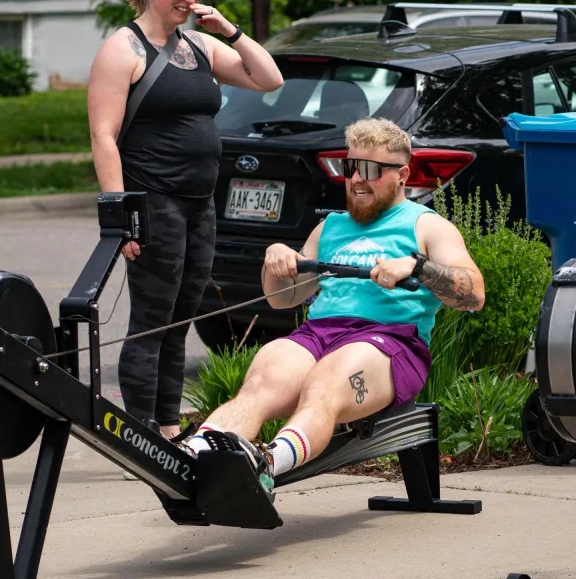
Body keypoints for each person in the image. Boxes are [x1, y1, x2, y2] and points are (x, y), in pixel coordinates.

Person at [177, 118, 485, 493]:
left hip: (390, 340)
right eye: (350, 167)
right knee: (262, 380)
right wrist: (276, 261)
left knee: (326, 384)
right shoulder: (330, 228)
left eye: (370, 171)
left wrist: (417, 265)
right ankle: (189, 460)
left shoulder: (426, 226)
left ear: (402, 174)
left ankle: (266, 465)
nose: (356, 180)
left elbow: (473, 295)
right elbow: (282, 298)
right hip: (319, 334)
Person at [87, 0, 283, 450]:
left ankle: (168, 426)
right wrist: (120, 213)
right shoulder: (122, 51)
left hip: (200, 201)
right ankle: (138, 432)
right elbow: (104, 136)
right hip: (153, 200)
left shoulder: (198, 46)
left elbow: (269, 78)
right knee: (152, 318)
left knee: (183, 318)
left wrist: (229, 30)